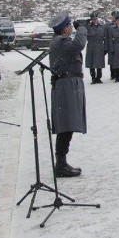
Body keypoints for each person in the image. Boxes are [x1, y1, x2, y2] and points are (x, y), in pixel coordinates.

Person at [48, 12, 87, 177]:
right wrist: (82, 29)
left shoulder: (62, 40)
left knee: (68, 124)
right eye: (70, 25)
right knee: (66, 124)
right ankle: (60, 165)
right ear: (64, 29)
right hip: (66, 86)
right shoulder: (61, 41)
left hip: (69, 85)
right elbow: (79, 45)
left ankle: (62, 162)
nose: (72, 27)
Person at [85, 12, 107, 84]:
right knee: (91, 63)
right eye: (93, 19)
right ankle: (93, 78)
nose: (95, 20)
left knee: (99, 63)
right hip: (91, 45)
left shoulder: (102, 26)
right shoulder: (88, 26)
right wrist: (86, 23)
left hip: (100, 45)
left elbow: (105, 37)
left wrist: (105, 48)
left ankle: (98, 78)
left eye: (96, 19)